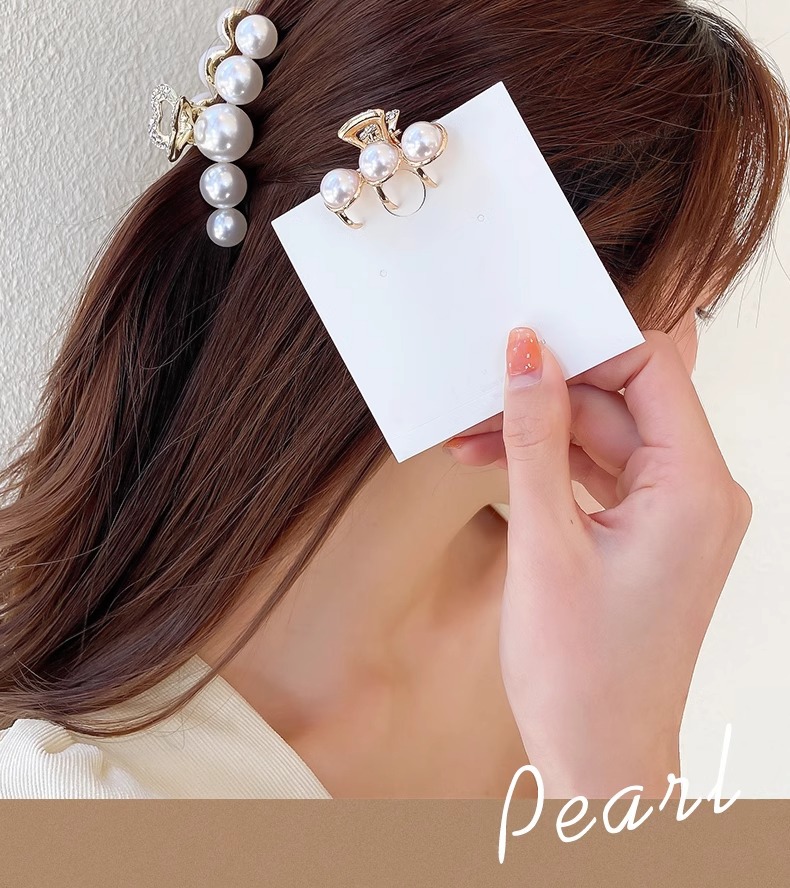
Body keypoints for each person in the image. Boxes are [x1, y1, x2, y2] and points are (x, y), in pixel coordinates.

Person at [0, 0, 787, 799]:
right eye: (692, 306)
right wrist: (623, 767)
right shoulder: (68, 800)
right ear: (486, 287)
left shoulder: (597, 613)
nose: (685, 369)